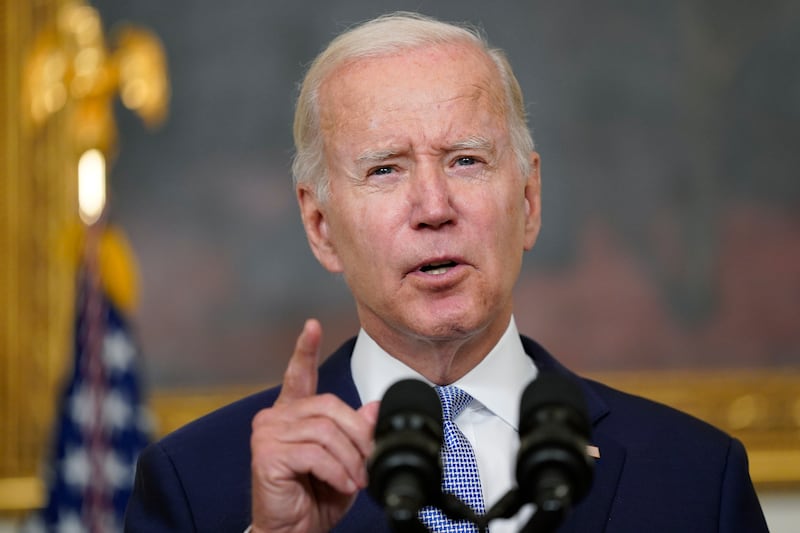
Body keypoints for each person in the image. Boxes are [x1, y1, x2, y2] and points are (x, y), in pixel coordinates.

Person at [124, 11, 768, 533]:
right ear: (321, 227)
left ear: (528, 201)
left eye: (465, 160)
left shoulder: (694, 477)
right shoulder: (195, 485)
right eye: (385, 169)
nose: (434, 208)